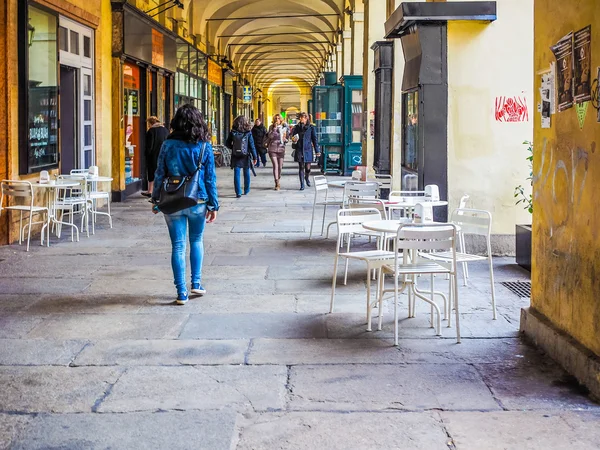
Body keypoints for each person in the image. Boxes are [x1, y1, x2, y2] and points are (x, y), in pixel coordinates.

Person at [151, 104, 219, 305]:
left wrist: (156, 199)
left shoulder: (168, 144)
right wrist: (214, 205)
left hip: (172, 200)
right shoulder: (204, 146)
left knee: (178, 246)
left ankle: (181, 293)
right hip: (198, 200)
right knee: (196, 240)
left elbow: (159, 173)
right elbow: (210, 178)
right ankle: (196, 283)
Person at [226, 116, 257, 198]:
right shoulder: (248, 132)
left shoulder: (233, 132)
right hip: (245, 155)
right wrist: (255, 157)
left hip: (236, 155)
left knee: (236, 173)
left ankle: (238, 192)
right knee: (246, 172)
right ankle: (246, 190)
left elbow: (227, 143)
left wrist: (234, 148)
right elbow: (252, 145)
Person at [291, 111, 320, 190]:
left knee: (307, 168)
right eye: (300, 118)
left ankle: (306, 178)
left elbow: (314, 139)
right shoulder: (296, 127)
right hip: (299, 149)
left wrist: (317, 151)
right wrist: (293, 140)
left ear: (306, 118)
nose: (301, 119)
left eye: (302, 118)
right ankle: (302, 184)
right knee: (301, 167)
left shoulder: (311, 127)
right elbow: (293, 137)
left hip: (308, 149)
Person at [142, 116, 169, 197]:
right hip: (164, 154)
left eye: (148, 124)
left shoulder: (151, 131)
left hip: (153, 155)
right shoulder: (165, 130)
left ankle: (150, 191)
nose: (148, 126)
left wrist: (146, 154)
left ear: (151, 123)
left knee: (151, 172)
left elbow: (149, 145)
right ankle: (162, 190)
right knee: (162, 171)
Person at [264, 113, 289, 190]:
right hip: (272, 148)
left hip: (281, 148)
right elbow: (270, 136)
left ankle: (278, 177)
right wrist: (274, 128)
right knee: (275, 165)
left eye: (278, 118)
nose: (277, 120)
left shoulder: (284, 127)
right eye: (276, 118)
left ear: (281, 119)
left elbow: (287, 138)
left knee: (280, 167)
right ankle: (277, 183)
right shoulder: (271, 127)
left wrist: (286, 139)